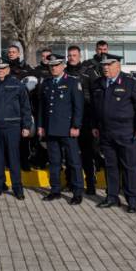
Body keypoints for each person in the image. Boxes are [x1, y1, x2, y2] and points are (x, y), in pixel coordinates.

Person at [91, 54, 136, 213]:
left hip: (126, 132)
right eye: (104, 65)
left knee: (130, 167)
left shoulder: (130, 83)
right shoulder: (99, 83)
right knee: (111, 166)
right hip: (106, 132)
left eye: (109, 65)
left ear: (118, 66)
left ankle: (132, 200)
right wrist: (95, 125)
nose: (105, 68)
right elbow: (95, 108)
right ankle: (112, 197)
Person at [0, 57, 33, 200]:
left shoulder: (17, 84)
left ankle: (17, 188)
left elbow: (26, 107)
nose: (1, 71)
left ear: (8, 69)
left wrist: (26, 126)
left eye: (3, 68)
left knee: (14, 159)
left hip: (13, 127)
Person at [37, 54, 84, 205]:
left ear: (63, 66)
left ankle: (77, 193)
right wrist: (40, 125)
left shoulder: (72, 82)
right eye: (51, 66)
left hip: (67, 129)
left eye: (56, 65)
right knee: (54, 162)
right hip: (51, 129)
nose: (53, 68)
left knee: (73, 162)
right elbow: (42, 107)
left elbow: (78, 107)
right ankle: (55, 190)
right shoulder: (47, 82)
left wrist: (76, 126)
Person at [64, 45, 99, 194]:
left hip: (85, 120)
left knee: (87, 154)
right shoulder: (63, 72)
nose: (72, 58)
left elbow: (96, 97)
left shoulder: (88, 73)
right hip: (67, 120)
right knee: (69, 155)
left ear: (79, 57)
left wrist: (94, 122)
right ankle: (71, 183)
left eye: (74, 55)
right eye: (69, 55)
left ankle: (90, 185)